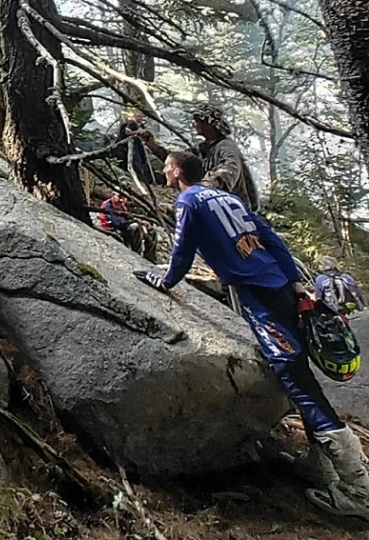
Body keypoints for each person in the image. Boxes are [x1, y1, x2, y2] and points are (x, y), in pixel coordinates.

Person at [134, 151, 369, 519]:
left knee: (294, 375)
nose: (162, 169)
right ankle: (321, 465)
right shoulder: (229, 198)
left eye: (165, 165)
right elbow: (272, 240)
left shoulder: (188, 200)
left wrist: (163, 280)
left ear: (177, 172)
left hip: (257, 295)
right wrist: (294, 282)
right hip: (279, 285)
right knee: (298, 374)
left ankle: (359, 489)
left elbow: (182, 248)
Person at [137, 103, 260, 210]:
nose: (193, 123)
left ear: (207, 123)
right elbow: (179, 161)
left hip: (234, 209)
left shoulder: (226, 148)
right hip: (217, 204)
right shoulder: (203, 147)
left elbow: (228, 172)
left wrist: (203, 188)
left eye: (196, 120)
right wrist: (153, 145)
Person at [97, 193, 158, 263]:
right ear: (113, 195)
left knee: (152, 230)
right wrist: (136, 222)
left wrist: (141, 222)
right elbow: (117, 224)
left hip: (123, 228)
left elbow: (128, 217)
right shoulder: (107, 206)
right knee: (135, 227)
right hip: (113, 230)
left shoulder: (122, 207)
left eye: (124, 198)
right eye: (119, 197)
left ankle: (150, 258)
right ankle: (137, 255)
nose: (121, 200)